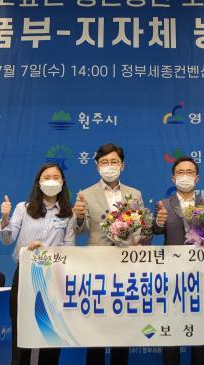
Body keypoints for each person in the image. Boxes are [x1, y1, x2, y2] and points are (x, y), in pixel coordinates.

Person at [0, 163, 76, 365]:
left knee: (51, 333)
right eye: (46, 177)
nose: (51, 181)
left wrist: (45, 252)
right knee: (22, 333)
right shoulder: (24, 208)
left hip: (54, 277)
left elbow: (69, 250)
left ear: (63, 182)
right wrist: (4, 218)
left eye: (56, 177)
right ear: (38, 182)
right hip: (25, 275)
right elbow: (7, 239)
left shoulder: (68, 213)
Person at [73, 143, 145, 365]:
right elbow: (80, 230)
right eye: (104, 162)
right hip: (97, 267)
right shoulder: (85, 194)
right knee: (96, 327)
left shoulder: (134, 194)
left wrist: (132, 236)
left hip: (126, 268)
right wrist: (79, 216)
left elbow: (141, 229)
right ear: (97, 166)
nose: (109, 166)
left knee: (122, 326)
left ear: (122, 165)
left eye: (114, 161)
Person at [152, 156, 204, 365]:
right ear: (173, 177)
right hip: (172, 275)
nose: (185, 176)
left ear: (197, 178)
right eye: (180, 172)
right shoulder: (164, 204)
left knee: (200, 330)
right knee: (171, 328)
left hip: (200, 275)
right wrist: (158, 222)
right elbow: (155, 230)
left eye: (190, 172)